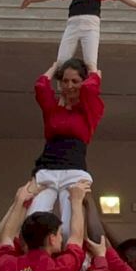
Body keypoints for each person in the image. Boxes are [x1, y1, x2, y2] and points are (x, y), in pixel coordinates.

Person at [29, 54, 104, 234]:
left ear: (83, 82)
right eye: (65, 81)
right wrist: (56, 66)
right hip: (47, 169)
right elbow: (40, 87)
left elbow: (90, 89)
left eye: (75, 81)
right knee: (33, 221)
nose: (69, 86)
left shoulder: (89, 110)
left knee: (69, 227)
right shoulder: (53, 109)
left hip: (74, 170)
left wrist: (93, 72)